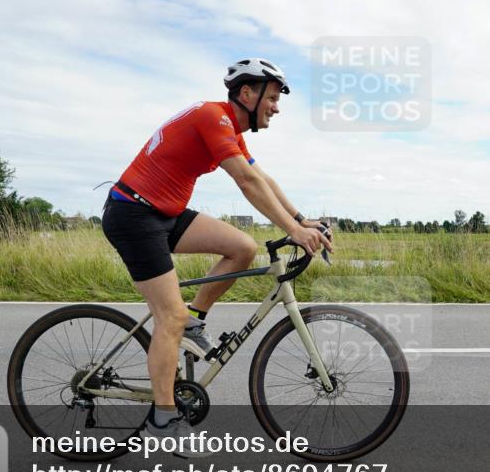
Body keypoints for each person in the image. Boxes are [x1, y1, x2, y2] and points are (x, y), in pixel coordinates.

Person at [101, 58, 334, 438]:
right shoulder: (214, 117)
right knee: (168, 317)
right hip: (133, 214)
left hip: (165, 213)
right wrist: (291, 229)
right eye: (272, 98)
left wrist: (301, 219)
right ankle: (162, 418)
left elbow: (260, 177)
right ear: (247, 93)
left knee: (242, 247)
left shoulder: (230, 128)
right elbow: (244, 181)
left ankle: (194, 320)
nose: (277, 108)